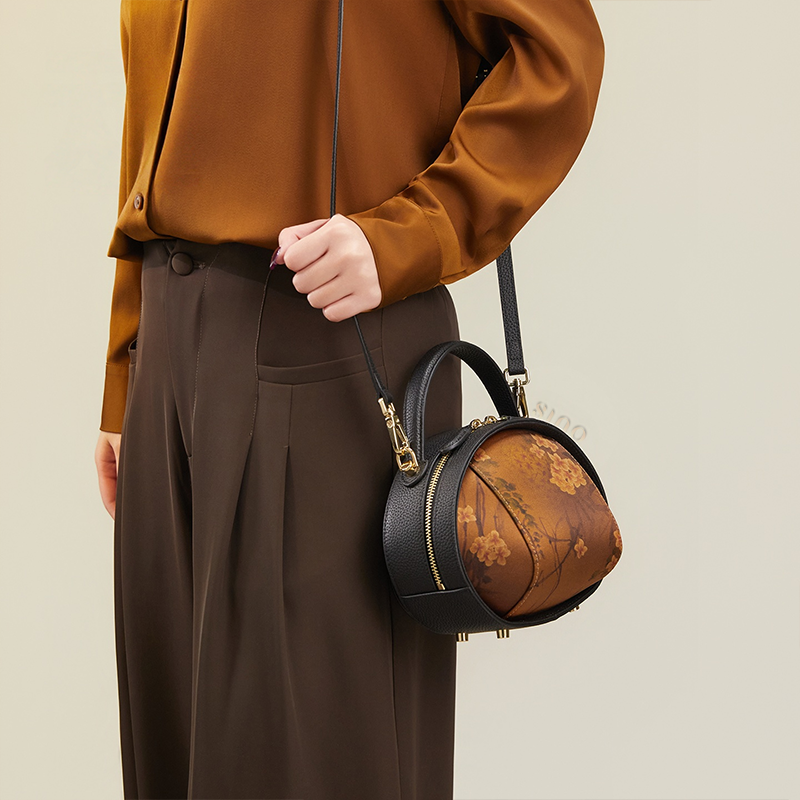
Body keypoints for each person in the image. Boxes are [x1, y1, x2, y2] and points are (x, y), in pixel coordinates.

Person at [93, 1, 604, 798]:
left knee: (319, 757)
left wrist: (413, 231)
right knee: (175, 751)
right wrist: (126, 368)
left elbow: (559, 53)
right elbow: (152, 115)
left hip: (326, 341)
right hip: (169, 350)